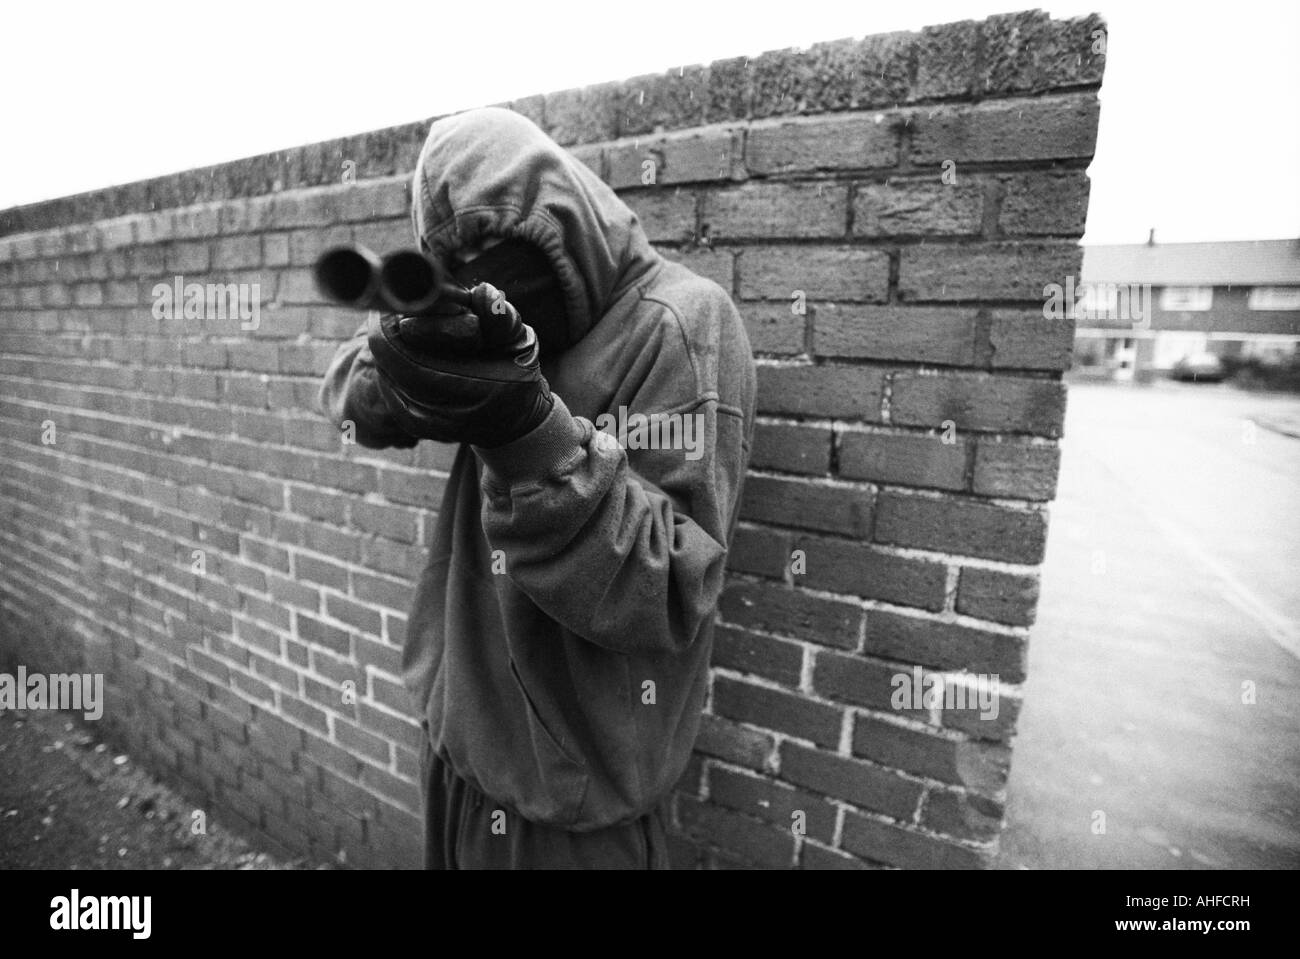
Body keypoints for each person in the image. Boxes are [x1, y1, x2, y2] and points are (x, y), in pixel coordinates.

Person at [318, 107, 756, 869]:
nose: (486, 275)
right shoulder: (487, 319)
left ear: (558, 215)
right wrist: (415, 358)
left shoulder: (679, 324)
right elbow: (345, 397)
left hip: (569, 817)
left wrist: (530, 429)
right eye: (456, 263)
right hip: (457, 758)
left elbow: (666, 588)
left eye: (497, 247)